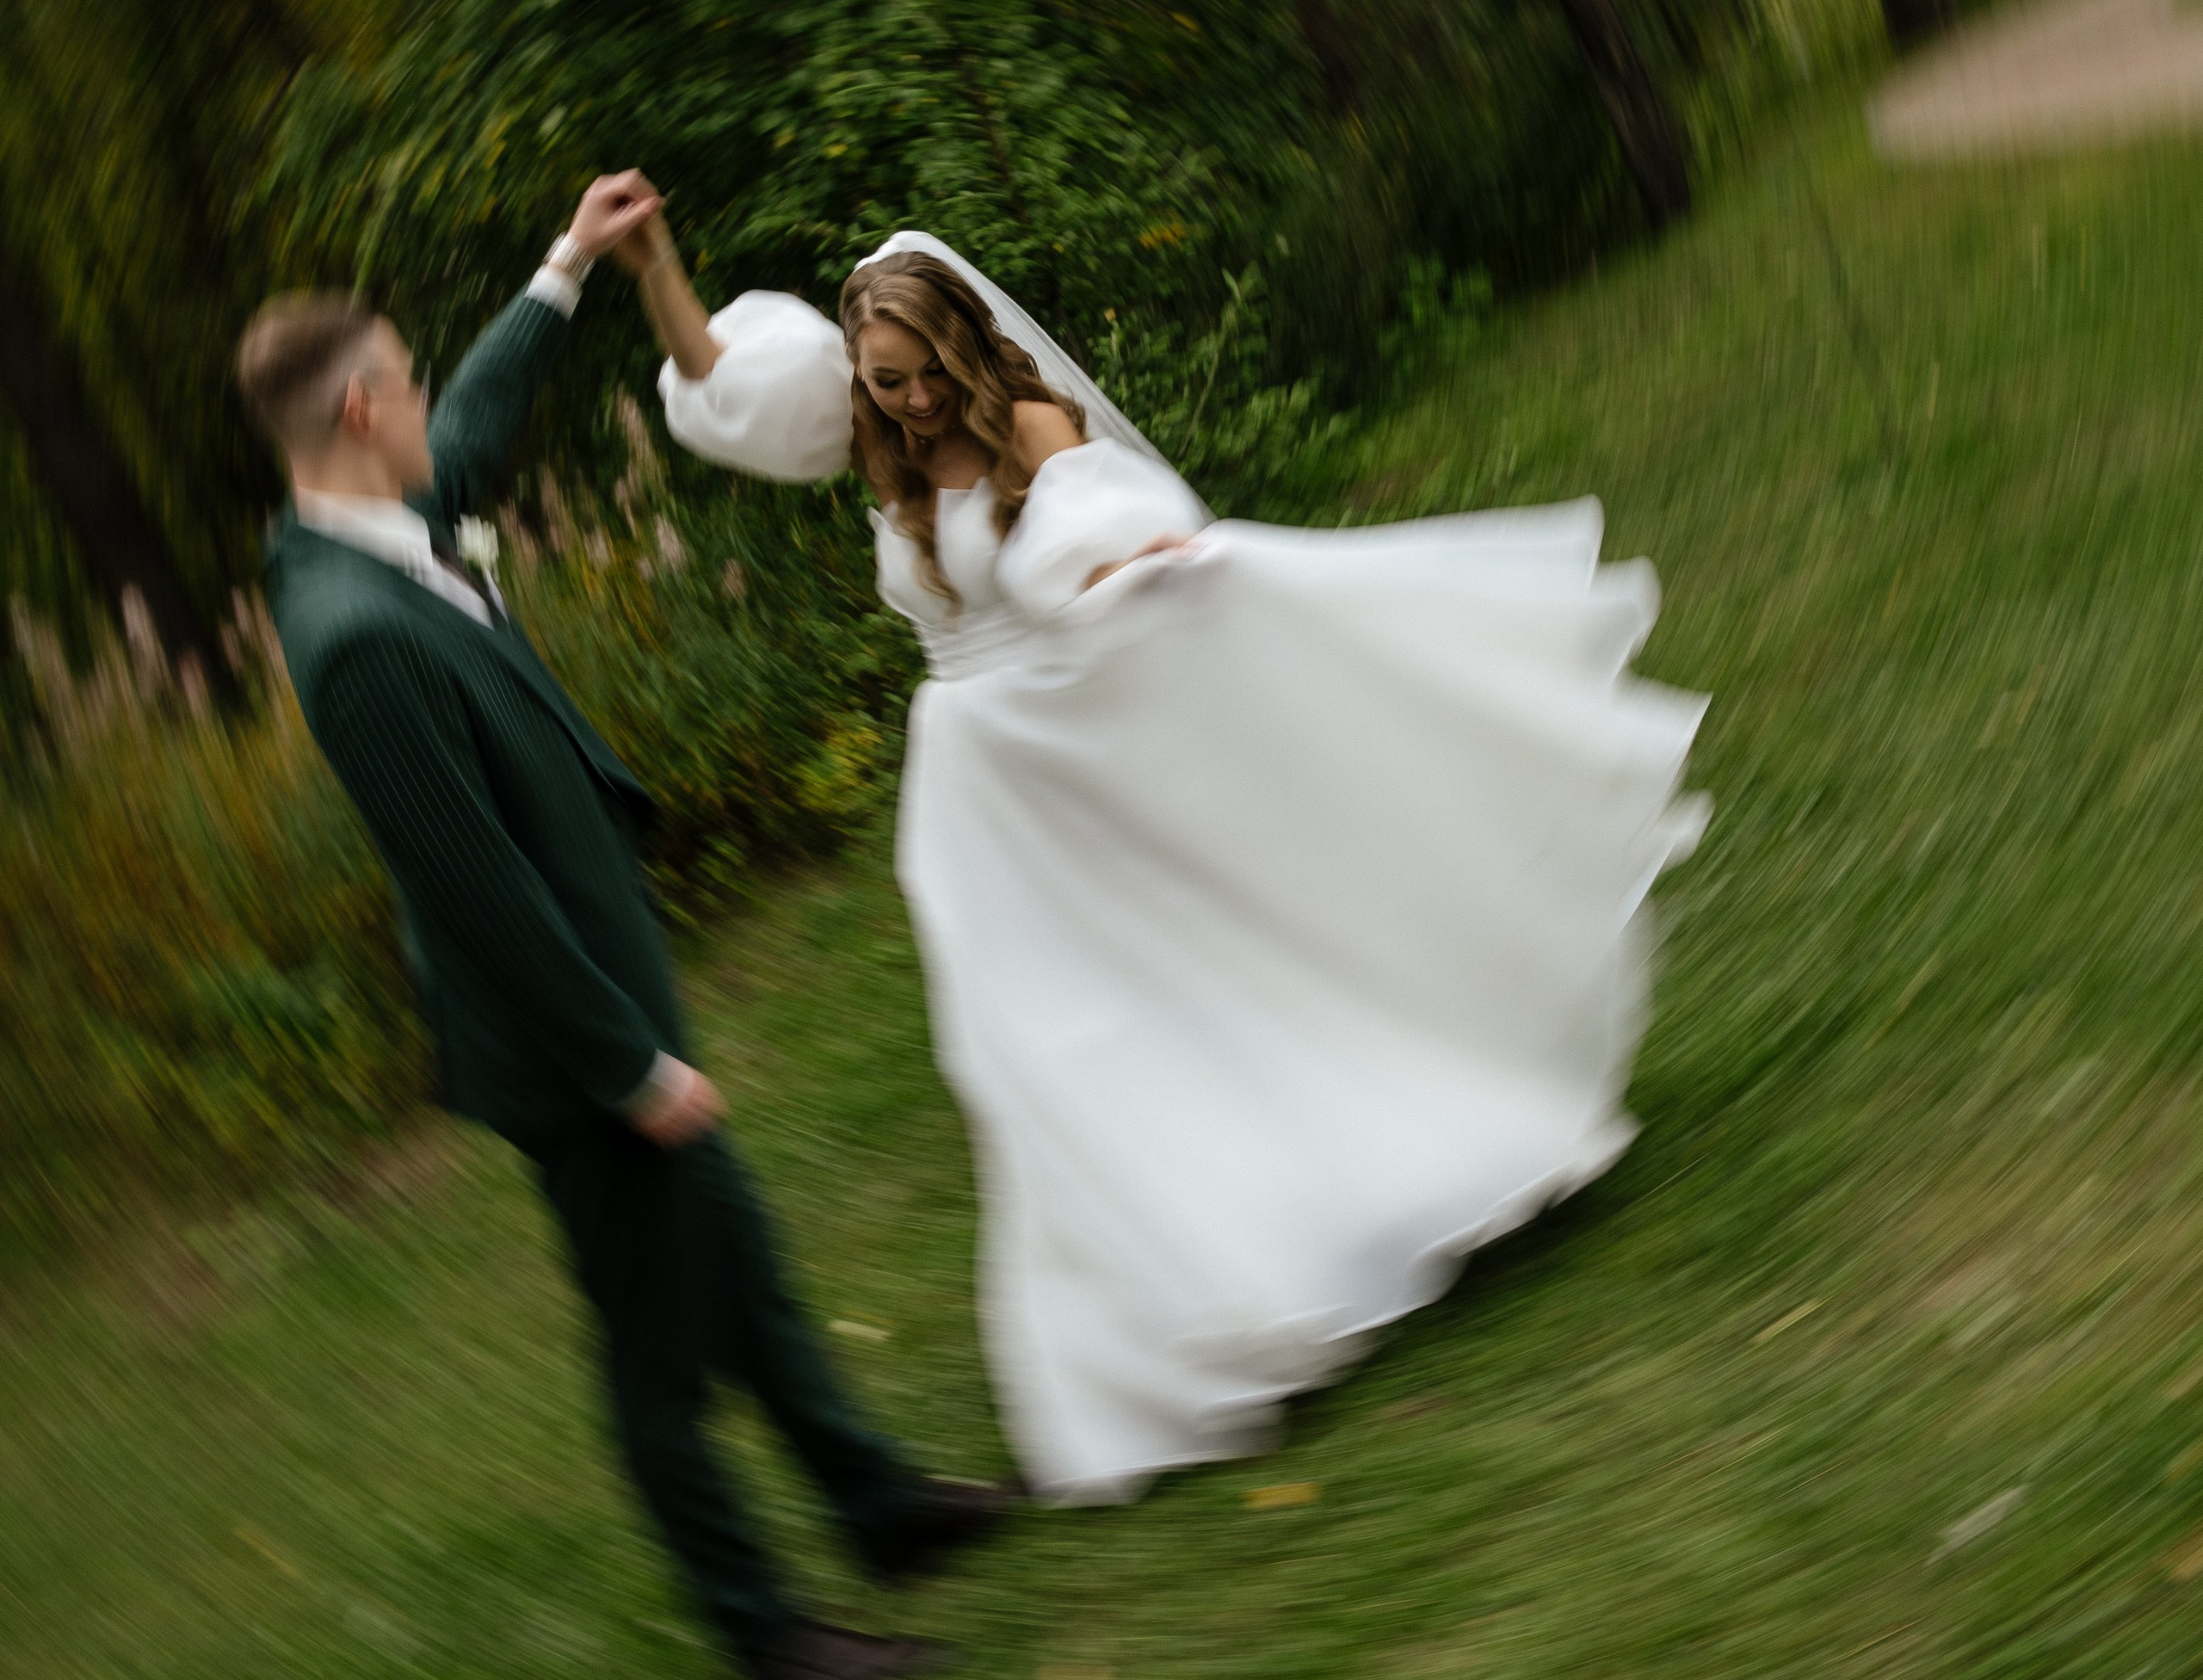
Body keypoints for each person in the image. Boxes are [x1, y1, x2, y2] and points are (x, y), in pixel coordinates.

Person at [626, 213, 1710, 1504]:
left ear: (967, 345)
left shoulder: (1033, 430)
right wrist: (651, 270)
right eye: (885, 381)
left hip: (1077, 756)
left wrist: (1152, 565)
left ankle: (1329, 1211)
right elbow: (729, 387)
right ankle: (1164, 1313)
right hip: (982, 803)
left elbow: (1106, 543)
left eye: (925, 374)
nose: (911, 402)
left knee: (1164, 999)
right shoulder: (873, 434)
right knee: (1026, 1051)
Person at [237, 174, 1016, 1680]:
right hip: (567, 1040)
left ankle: (876, 1504)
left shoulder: (388, 521)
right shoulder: (354, 637)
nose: (424, 411)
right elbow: (471, 892)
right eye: (403, 381)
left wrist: (567, 270)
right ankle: (767, 1644)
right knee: (658, 1349)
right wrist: (628, 1068)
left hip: (609, 982)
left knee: (736, 1258)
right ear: (360, 407)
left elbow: (471, 430)